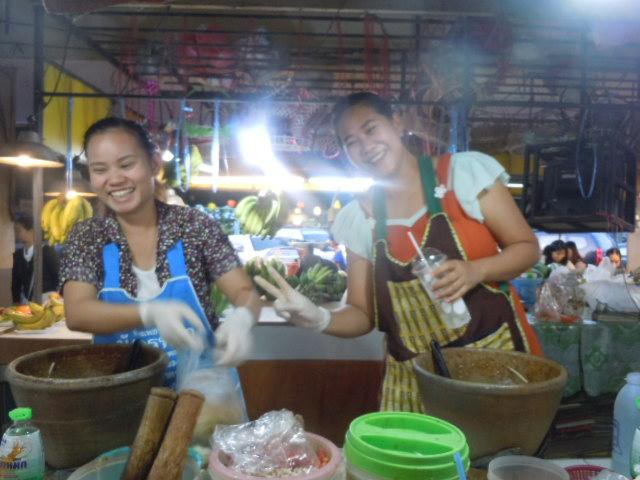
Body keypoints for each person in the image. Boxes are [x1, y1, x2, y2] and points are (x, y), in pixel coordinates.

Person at [255, 91, 542, 413]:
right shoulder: (359, 217)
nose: (366, 146)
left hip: (493, 362)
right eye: (351, 142)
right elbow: (362, 315)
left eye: (371, 129)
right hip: (413, 381)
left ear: (397, 122)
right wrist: (318, 317)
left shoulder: (462, 175)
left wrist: (476, 270)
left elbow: (527, 248)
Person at [59, 117, 261, 387]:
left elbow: (245, 293)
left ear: (153, 164)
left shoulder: (194, 226)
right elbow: (78, 313)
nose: (115, 179)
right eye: (100, 169)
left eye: (126, 164)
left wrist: (242, 318)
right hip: (122, 395)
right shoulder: (88, 236)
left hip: (201, 394)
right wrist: (150, 313)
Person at [12, 213, 60, 304]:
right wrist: (15, 303)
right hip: (27, 303)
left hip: (48, 302)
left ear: (32, 231)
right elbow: (16, 283)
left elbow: (58, 277)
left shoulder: (47, 251)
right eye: (15, 230)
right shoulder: (18, 255)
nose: (16, 233)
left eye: (18, 230)